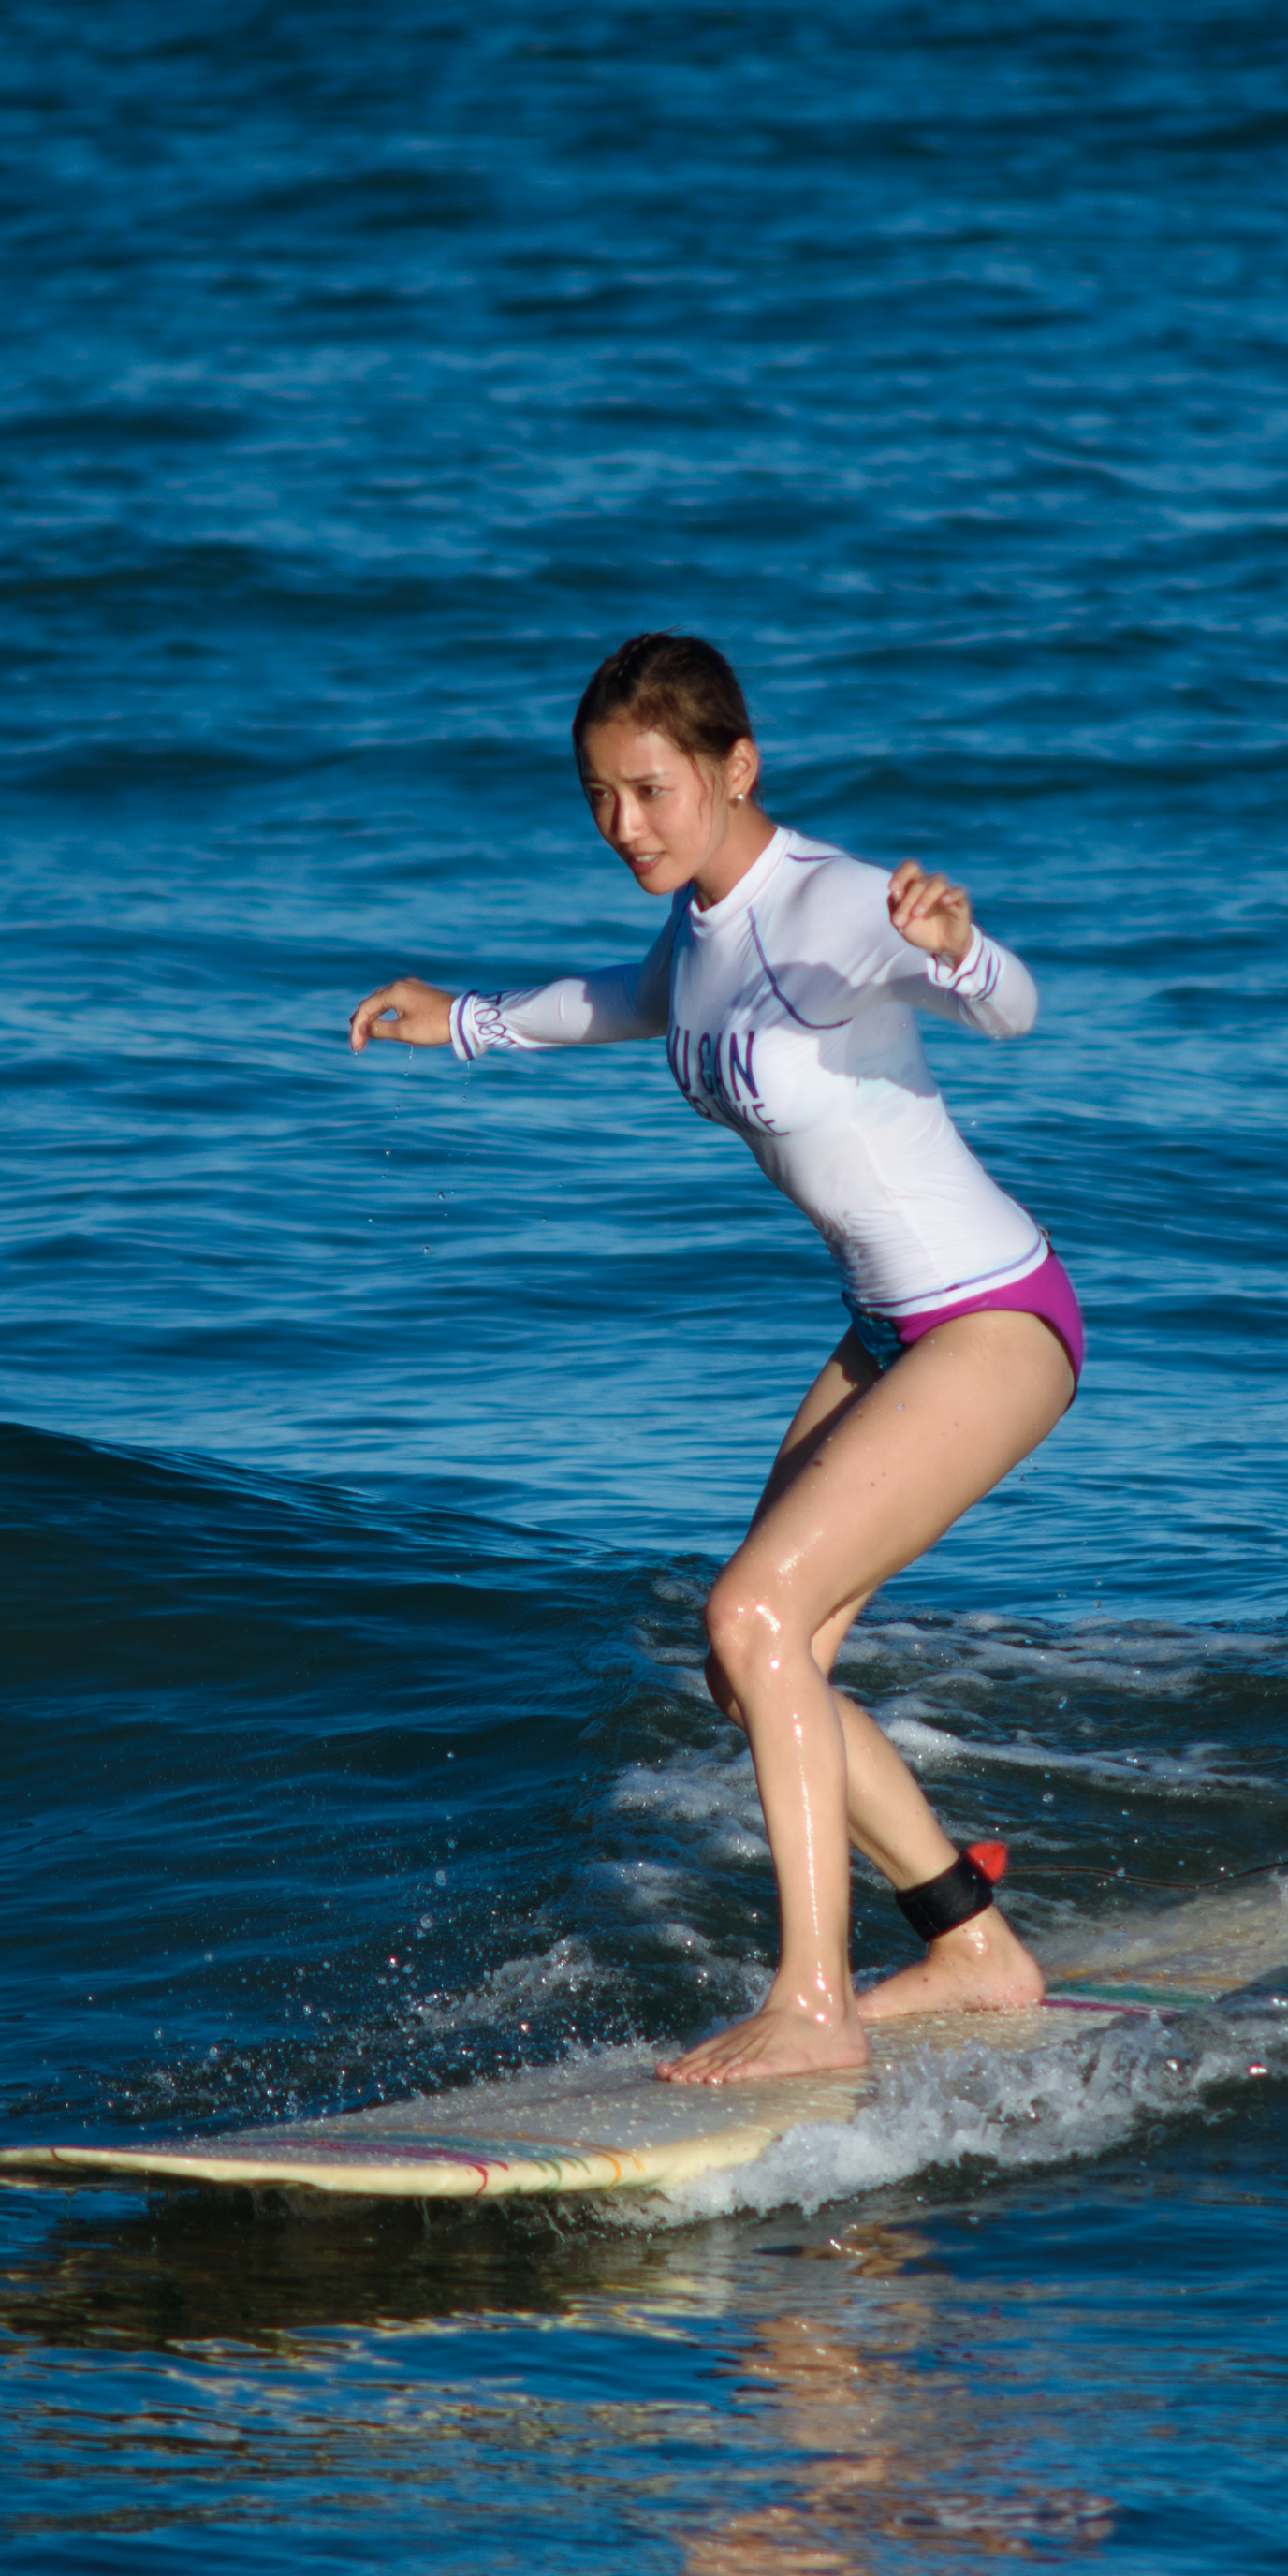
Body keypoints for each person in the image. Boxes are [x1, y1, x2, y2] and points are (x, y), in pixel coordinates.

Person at [349, 634, 1086, 2086]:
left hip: (995, 1321)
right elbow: (631, 1001)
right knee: (756, 1658)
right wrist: (464, 1026)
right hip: (887, 1332)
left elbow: (1010, 1009)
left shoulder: (828, 903)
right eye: (599, 799)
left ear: (734, 767)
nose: (623, 825)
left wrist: (961, 949)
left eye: (650, 791)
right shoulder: (701, 919)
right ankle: (970, 1945)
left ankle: (812, 2006)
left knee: (757, 1615)